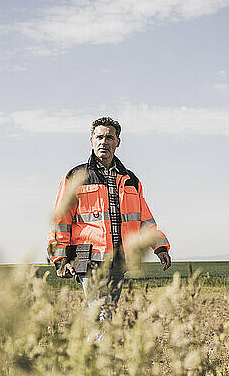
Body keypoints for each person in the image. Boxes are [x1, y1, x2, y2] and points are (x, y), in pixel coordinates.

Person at [48, 116, 171, 321]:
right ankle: (99, 353)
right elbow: (61, 220)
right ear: (91, 141)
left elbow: (145, 219)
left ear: (117, 142)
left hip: (118, 260)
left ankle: (87, 352)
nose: (104, 142)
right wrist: (60, 258)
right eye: (99, 137)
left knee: (105, 316)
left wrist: (160, 247)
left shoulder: (130, 179)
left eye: (109, 137)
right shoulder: (76, 176)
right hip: (87, 259)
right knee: (103, 316)